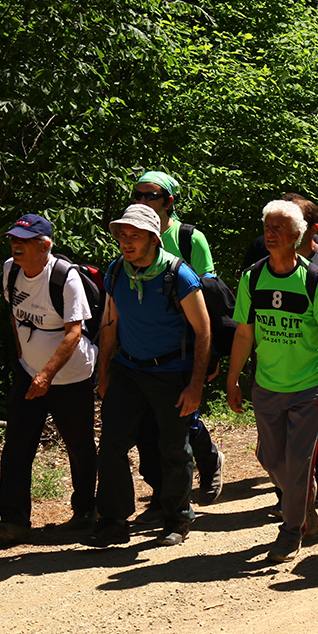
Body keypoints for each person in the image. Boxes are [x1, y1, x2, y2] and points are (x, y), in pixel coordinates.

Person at [226, 200, 318, 562]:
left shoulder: (315, 281)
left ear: (297, 236)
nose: (271, 232)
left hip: (309, 386)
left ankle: (291, 530)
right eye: (267, 227)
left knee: (296, 463)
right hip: (267, 386)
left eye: (279, 228)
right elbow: (244, 334)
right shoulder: (252, 278)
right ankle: (302, 499)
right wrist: (233, 378)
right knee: (269, 457)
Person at [88, 204, 210, 548]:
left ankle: (177, 518)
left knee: (173, 447)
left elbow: (204, 331)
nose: (127, 242)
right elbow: (109, 323)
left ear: (154, 239)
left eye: (135, 236)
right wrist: (104, 373)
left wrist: (195, 386)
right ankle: (113, 521)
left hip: (171, 372)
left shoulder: (179, 275)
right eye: (123, 235)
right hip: (128, 369)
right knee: (112, 443)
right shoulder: (116, 272)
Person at [0, 213, 98, 544]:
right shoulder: (11, 270)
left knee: (78, 445)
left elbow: (74, 332)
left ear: (44, 245)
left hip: (71, 376)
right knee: (17, 444)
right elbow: (14, 316)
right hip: (29, 373)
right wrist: (25, 359)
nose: (16, 246)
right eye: (13, 240)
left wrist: (47, 373)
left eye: (24, 241)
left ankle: (86, 513)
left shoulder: (65, 277)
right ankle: (14, 520)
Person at [127, 172, 225, 511]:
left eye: (150, 196)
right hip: (142, 346)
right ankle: (161, 493)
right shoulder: (130, 234)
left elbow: (208, 297)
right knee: (146, 426)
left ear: (169, 201)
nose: (141, 201)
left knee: (184, 417)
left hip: (183, 345)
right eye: (136, 195)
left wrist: (209, 354)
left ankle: (210, 463)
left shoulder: (188, 238)